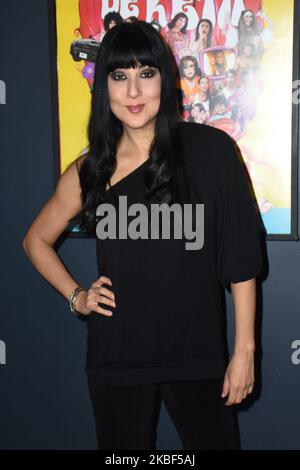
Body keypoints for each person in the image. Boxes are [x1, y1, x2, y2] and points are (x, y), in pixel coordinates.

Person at [23, 20, 264, 450]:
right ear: (105, 88)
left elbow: (241, 259)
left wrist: (244, 351)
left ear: (165, 79)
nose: (133, 92)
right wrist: (77, 296)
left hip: (197, 353)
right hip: (117, 358)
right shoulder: (90, 169)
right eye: (120, 76)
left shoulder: (211, 151)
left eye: (146, 74)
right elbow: (35, 240)